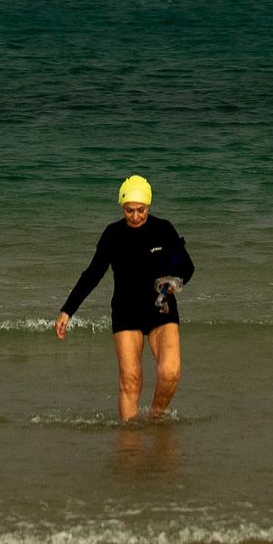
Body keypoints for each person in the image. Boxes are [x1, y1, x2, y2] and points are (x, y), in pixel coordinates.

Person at [54, 174, 192, 422]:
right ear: (122, 206)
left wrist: (174, 281)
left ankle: (155, 417)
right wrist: (67, 310)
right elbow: (93, 274)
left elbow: (186, 267)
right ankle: (130, 445)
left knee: (170, 372)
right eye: (129, 210)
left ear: (149, 206)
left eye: (141, 210)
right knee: (131, 381)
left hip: (160, 307)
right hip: (126, 310)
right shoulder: (113, 235)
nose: (136, 216)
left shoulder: (163, 229)